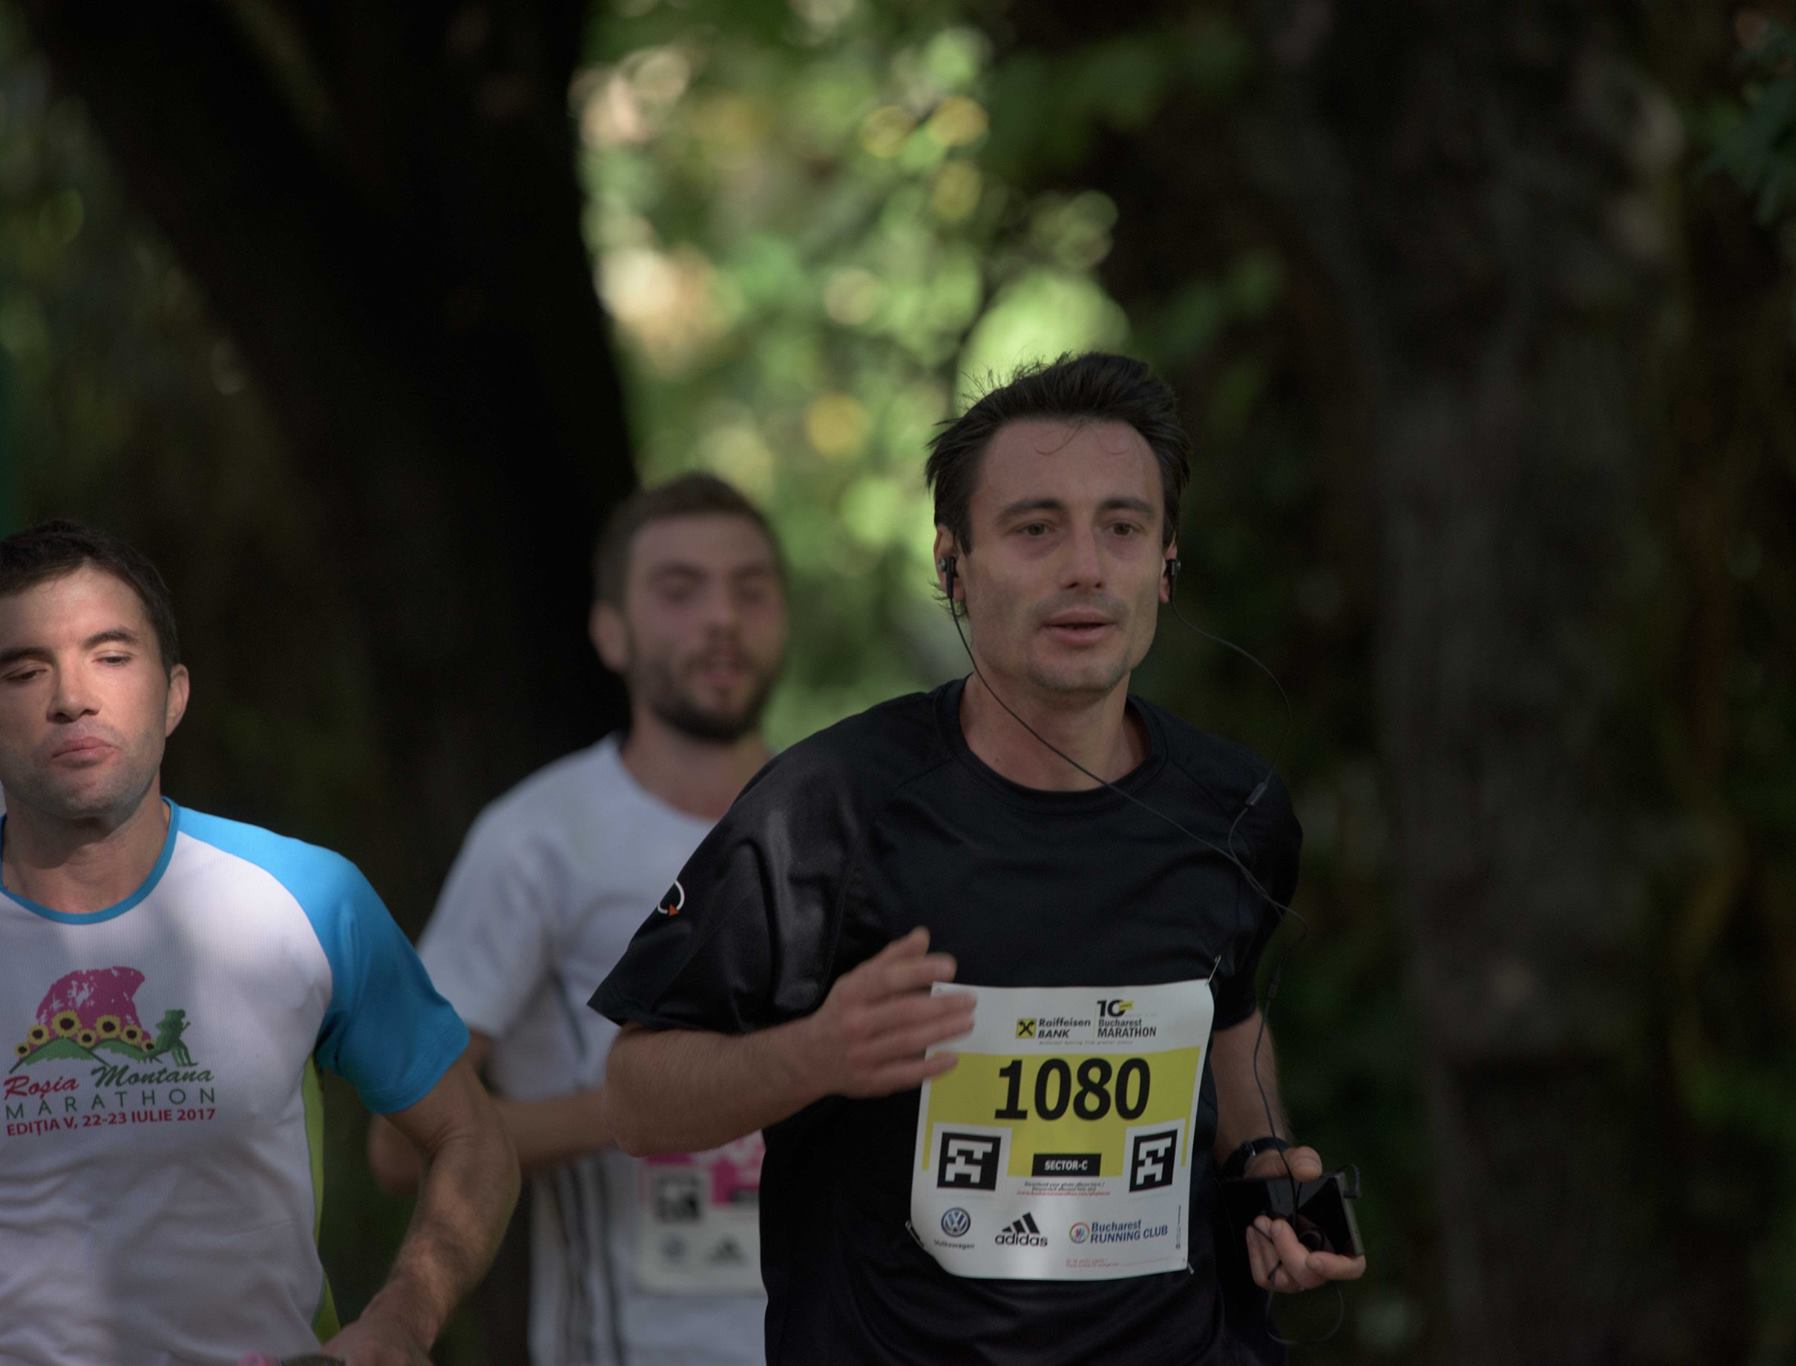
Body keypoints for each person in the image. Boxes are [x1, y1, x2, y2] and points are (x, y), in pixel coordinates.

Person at [591, 354, 1365, 1363]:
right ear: (952, 565)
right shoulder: (833, 808)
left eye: (1121, 527)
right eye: (1035, 528)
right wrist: (813, 1054)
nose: (1084, 566)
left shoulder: (1236, 807)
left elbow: (1228, 1019)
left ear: (1165, 565)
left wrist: (1265, 1172)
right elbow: (633, 1097)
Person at [0, 519, 517, 1366]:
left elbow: (474, 1140)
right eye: (25, 670)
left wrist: (403, 1318)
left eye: (112, 655)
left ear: (174, 694)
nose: (72, 696)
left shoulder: (307, 900)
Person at [367, 474, 788, 1365]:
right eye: (679, 590)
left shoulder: (847, 820)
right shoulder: (538, 842)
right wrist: (688, 1092)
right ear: (610, 630)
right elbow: (402, 1144)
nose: (722, 617)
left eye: (750, 589)